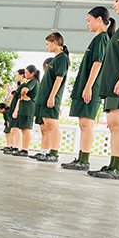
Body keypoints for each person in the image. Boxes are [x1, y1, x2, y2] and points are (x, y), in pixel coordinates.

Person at [62, 6, 113, 170]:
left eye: (88, 20)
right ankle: (81, 158)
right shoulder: (97, 38)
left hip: (92, 88)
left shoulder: (102, 39)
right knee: (83, 124)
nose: (87, 24)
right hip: (86, 86)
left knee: (87, 124)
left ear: (99, 20)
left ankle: (84, 160)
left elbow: (97, 63)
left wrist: (88, 87)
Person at [88, 0, 119, 179]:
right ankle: (113, 164)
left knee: (118, 124)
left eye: (117, 0)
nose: (114, 4)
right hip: (111, 84)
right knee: (113, 125)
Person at [33, 32, 70, 163]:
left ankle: (54, 152)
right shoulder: (55, 59)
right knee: (45, 126)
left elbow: (59, 79)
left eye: (48, 44)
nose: (47, 47)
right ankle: (45, 151)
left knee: (52, 125)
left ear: (55, 42)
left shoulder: (62, 58)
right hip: (43, 97)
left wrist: (52, 97)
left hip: (51, 98)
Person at [11, 65, 39, 157]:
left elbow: (25, 90)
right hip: (23, 108)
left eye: (27, 73)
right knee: (23, 129)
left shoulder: (34, 82)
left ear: (32, 73)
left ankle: (25, 149)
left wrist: (23, 95)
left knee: (26, 129)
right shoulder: (29, 81)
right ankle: (22, 148)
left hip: (28, 108)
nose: (25, 74)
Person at [3, 70, 25, 154]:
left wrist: (16, 110)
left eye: (17, 75)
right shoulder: (20, 86)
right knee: (12, 129)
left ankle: (16, 147)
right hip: (13, 109)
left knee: (16, 129)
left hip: (18, 110)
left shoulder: (24, 86)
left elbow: (20, 99)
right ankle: (12, 146)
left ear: (22, 75)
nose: (16, 76)